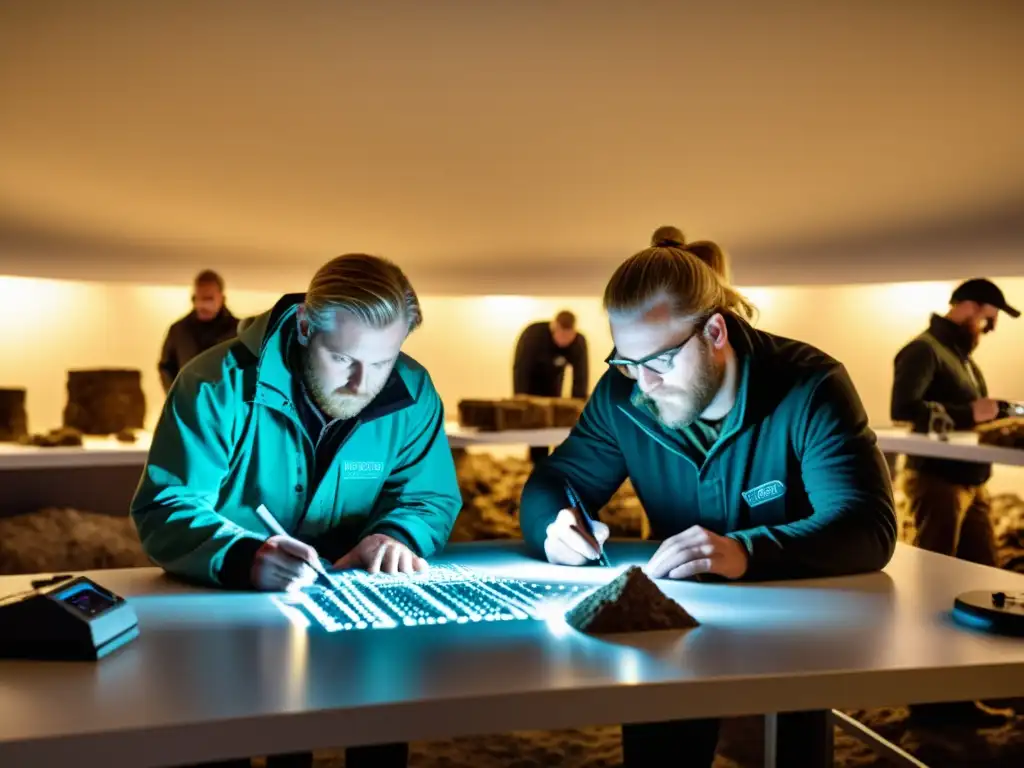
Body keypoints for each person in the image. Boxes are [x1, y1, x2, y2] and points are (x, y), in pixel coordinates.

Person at [519, 228, 898, 767]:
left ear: (715, 331)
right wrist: (554, 526)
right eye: (626, 363)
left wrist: (746, 551)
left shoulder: (809, 387)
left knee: (786, 749)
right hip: (672, 625)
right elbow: (553, 482)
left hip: (791, 626)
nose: (643, 385)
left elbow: (867, 525)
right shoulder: (623, 396)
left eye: (659, 362)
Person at [132, 254, 462, 768]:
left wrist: (400, 534)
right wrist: (245, 555)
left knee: (378, 730)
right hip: (231, 608)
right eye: (343, 359)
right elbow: (165, 505)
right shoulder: (215, 384)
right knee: (231, 738)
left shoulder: (413, 392)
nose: (361, 383)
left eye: (382, 362)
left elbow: (429, 495)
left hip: (360, 605)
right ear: (307, 325)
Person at [891, 277, 1019, 726]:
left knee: (983, 588)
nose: (988, 329)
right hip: (938, 482)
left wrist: (994, 412)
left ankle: (963, 696)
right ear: (968, 307)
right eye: (988, 320)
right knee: (936, 592)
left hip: (971, 483)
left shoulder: (961, 359)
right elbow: (902, 408)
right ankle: (928, 702)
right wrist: (972, 413)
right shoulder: (924, 350)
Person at [513, 310, 589, 462]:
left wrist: (578, 411)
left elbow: (581, 377)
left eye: (569, 337)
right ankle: (537, 463)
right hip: (532, 383)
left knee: (561, 427)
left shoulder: (578, 342)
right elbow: (521, 370)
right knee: (537, 429)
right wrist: (520, 402)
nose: (564, 341)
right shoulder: (533, 335)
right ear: (554, 328)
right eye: (561, 336)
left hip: (554, 383)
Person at [158, 269, 239, 393]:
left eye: (209, 298)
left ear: (222, 298)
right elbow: (166, 367)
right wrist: (176, 397)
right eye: (198, 298)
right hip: (189, 405)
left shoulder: (239, 332)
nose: (202, 305)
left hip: (227, 407)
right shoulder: (178, 331)